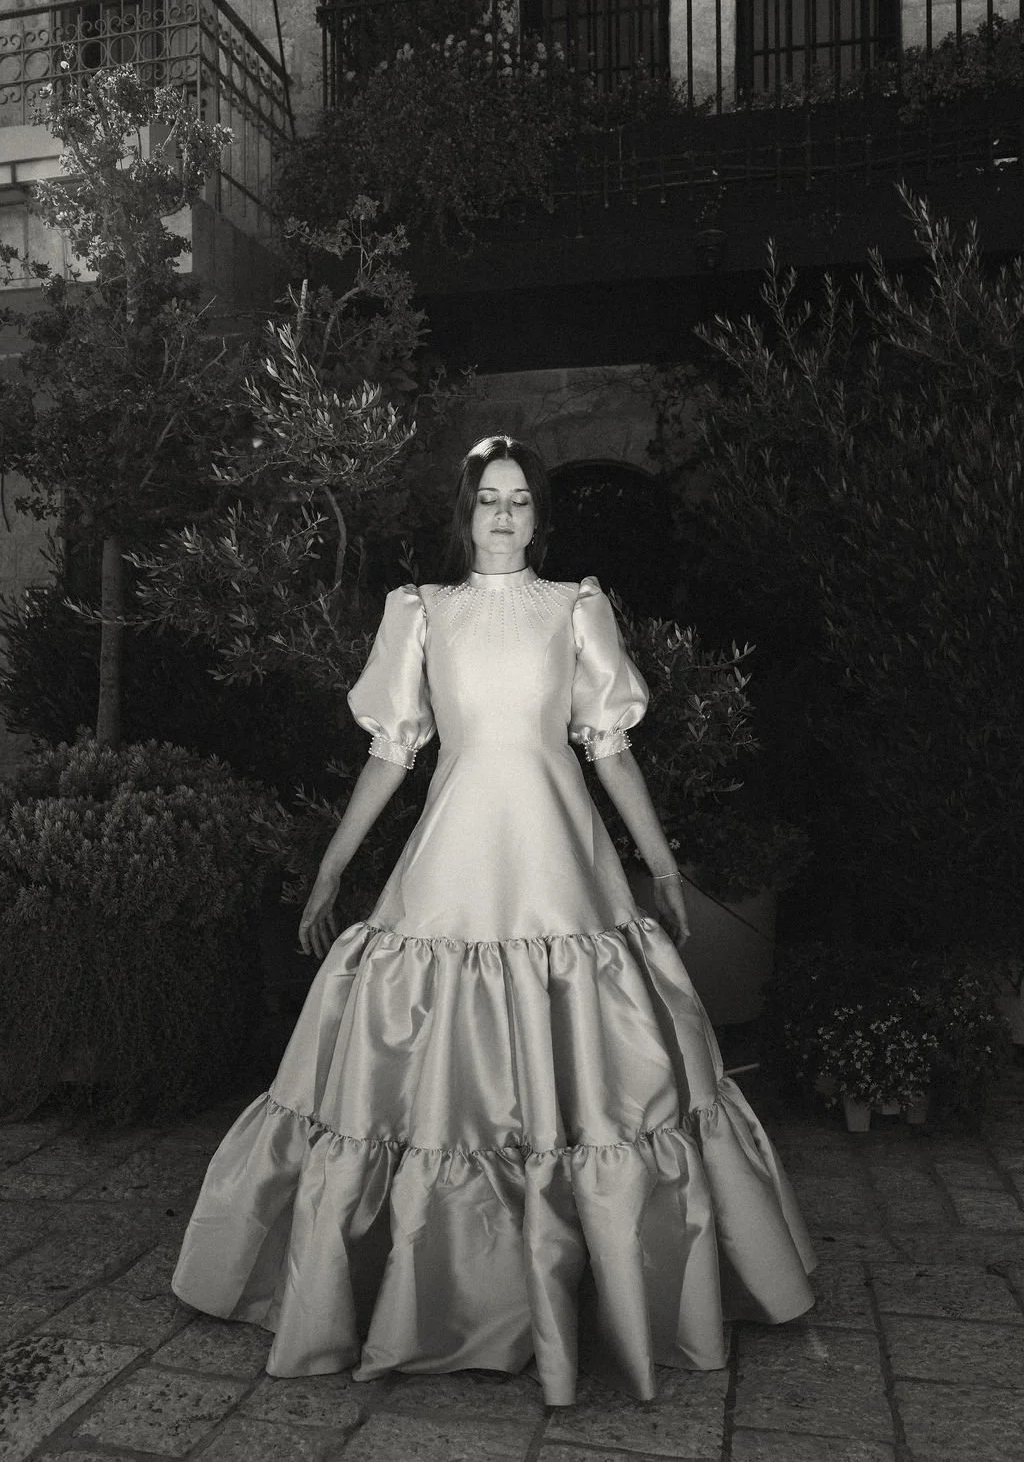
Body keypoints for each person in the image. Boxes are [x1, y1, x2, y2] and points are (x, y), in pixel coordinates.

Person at [171, 435, 815, 1406]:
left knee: (602, 1086)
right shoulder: (424, 614)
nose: (504, 515)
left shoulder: (575, 610)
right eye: (488, 500)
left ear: (536, 516)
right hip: (454, 872)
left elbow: (609, 753)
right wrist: (334, 864)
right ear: (464, 513)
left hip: (564, 874)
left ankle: (593, 1283)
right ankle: (439, 1291)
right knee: (421, 1082)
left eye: (519, 500)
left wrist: (665, 863)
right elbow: (392, 755)